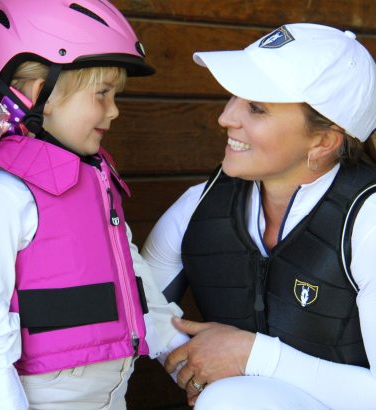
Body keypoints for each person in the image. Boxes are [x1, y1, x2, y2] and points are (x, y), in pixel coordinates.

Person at [0, 1, 188, 409]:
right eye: (102, 93)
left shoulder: (95, 177)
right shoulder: (5, 194)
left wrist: (175, 346)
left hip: (112, 392)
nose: (115, 110)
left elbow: (129, 270)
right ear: (40, 94)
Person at [142, 23, 376, 409]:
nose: (226, 117)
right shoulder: (200, 206)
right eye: (234, 97)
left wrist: (254, 357)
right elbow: (138, 300)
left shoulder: (367, 222)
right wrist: (193, 364)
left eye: (256, 107)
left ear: (323, 141)